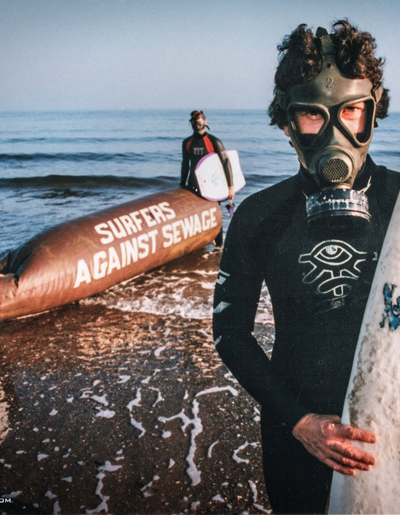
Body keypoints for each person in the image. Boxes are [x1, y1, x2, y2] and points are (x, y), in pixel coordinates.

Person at [212, 20, 400, 514]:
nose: (335, 133)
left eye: (352, 112)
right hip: (295, 435)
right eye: (313, 116)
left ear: (372, 115)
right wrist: (300, 423)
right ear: (287, 121)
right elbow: (229, 333)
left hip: (392, 429)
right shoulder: (259, 216)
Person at [181, 110, 234, 246]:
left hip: (211, 187)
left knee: (214, 215)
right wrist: (182, 185)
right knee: (195, 216)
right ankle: (199, 244)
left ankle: (218, 248)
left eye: (199, 120)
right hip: (193, 185)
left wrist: (230, 187)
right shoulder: (187, 143)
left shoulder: (213, 141)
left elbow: (225, 162)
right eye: (194, 121)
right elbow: (185, 164)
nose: (196, 124)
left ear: (205, 121)